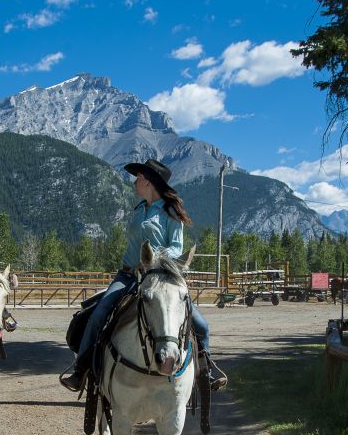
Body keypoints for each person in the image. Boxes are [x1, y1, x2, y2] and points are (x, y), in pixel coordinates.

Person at [60, 158, 227, 392]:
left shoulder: (171, 212)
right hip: (128, 275)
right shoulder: (139, 209)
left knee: (201, 325)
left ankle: (205, 372)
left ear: (149, 182)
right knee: (98, 315)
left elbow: (177, 248)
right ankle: (81, 369)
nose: (135, 181)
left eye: (138, 177)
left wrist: (152, 259)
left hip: (161, 277)